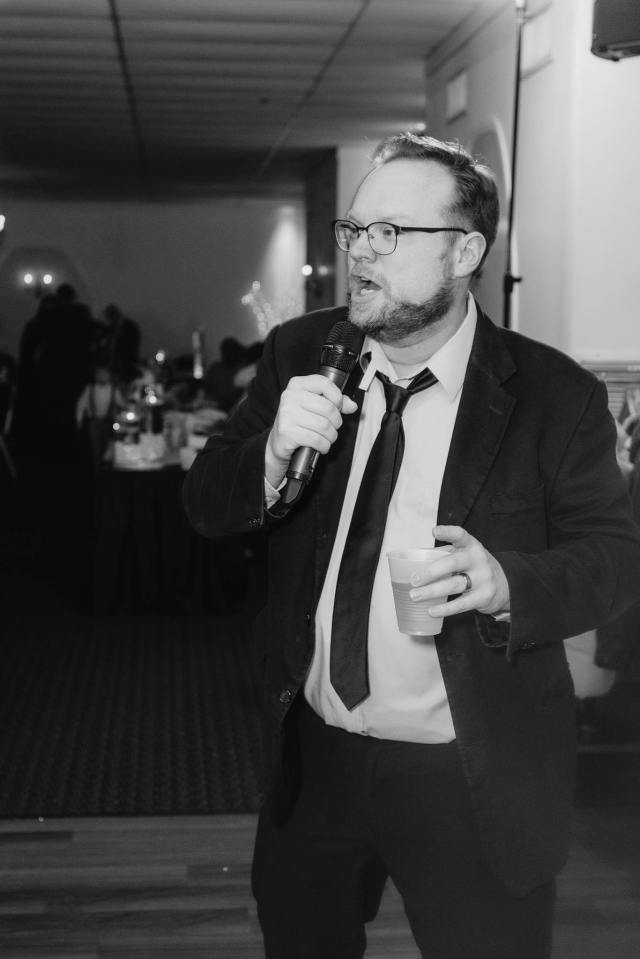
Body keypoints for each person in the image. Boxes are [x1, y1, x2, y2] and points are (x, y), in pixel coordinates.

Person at [182, 132, 640, 959]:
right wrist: (273, 454)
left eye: (391, 232)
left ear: (465, 252)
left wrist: (508, 582)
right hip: (315, 758)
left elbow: (614, 557)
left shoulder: (554, 395)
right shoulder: (301, 352)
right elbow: (206, 502)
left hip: (472, 771)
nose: (361, 251)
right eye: (355, 229)